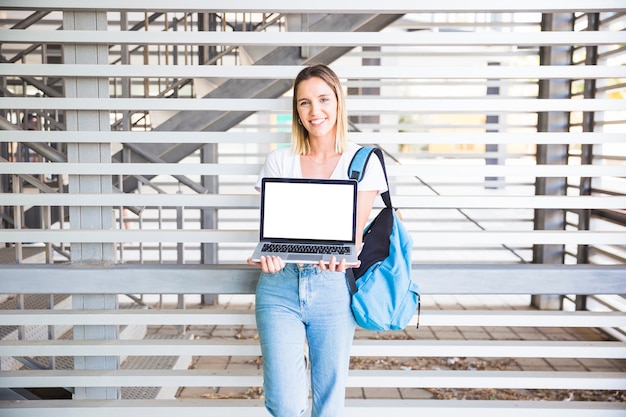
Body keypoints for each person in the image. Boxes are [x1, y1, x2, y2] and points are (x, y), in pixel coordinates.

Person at [247, 64, 387, 417]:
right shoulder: (280, 161)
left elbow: (350, 239)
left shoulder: (362, 161)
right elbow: (274, 233)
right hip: (279, 288)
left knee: (328, 406)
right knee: (285, 405)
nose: (315, 111)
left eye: (323, 99)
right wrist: (270, 255)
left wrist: (341, 256)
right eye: (304, 103)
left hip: (333, 288)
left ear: (338, 101)